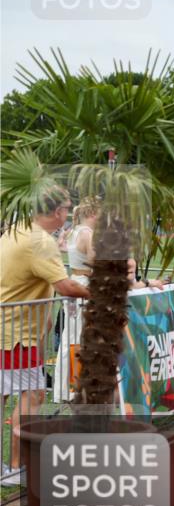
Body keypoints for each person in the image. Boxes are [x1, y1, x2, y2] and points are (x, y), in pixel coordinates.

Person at [1, 187, 89, 481]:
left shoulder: (18, 230)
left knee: (9, 396)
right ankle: (15, 468)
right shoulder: (40, 241)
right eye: (65, 208)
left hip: (10, 329)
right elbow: (66, 286)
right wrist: (106, 291)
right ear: (57, 212)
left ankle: (9, 467)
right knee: (33, 396)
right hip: (17, 335)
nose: (66, 215)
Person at [54, 196, 101, 402]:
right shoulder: (87, 233)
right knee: (77, 338)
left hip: (76, 279)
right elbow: (94, 259)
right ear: (93, 214)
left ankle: (66, 387)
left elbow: (66, 249)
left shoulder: (74, 231)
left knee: (71, 338)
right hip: (84, 285)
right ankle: (70, 388)